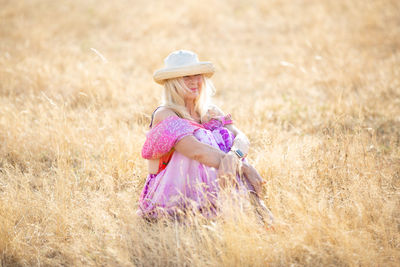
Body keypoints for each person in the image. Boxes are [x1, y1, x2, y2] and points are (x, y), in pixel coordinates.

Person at [137, 50, 272, 223]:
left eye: (197, 75)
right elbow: (196, 151)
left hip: (218, 183)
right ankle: (218, 208)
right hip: (174, 195)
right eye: (186, 77)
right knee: (203, 140)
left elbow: (242, 138)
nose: (194, 81)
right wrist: (244, 168)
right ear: (173, 83)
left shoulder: (211, 111)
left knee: (228, 147)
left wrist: (233, 155)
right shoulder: (166, 114)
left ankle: (247, 207)